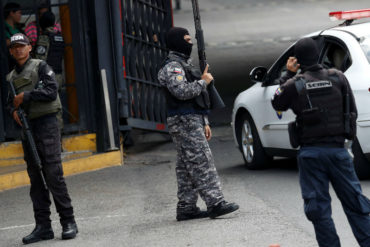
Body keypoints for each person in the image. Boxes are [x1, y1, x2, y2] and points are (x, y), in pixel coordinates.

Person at [271, 37, 370, 247]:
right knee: (356, 204)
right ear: (318, 55)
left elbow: (277, 103)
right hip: (338, 151)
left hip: (311, 153)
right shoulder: (339, 77)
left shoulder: (293, 84)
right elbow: (351, 111)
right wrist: (346, 140)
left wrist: (287, 73)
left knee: (319, 210)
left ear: (297, 60)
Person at [158, 27, 239, 221]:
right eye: (186, 39)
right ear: (177, 42)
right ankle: (216, 203)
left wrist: (205, 121)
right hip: (183, 120)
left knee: (186, 165)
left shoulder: (184, 64)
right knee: (202, 161)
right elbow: (182, 92)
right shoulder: (173, 67)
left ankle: (186, 206)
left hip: (191, 119)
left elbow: (196, 100)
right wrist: (203, 81)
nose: (190, 43)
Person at [6, 33, 77, 244]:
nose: (18, 50)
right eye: (15, 47)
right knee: (35, 178)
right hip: (28, 129)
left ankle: (68, 222)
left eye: (22, 46)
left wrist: (26, 97)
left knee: (53, 174)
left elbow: (51, 90)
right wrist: (14, 112)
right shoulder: (10, 77)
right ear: (11, 51)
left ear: (30, 48)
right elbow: (9, 103)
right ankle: (43, 226)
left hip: (47, 124)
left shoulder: (41, 66)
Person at [34, 11, 65, 130]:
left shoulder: (44, 37)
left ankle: (55, 137)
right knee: (57, 106)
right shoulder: (59, 37)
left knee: (49, 108)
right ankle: (58, 135)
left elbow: (39, 60)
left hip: (47, 77)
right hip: (58, 75)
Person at [4, 2, 22, 70]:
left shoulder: (18, 28)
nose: (20, 15)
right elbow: (4, 42)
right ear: (11, 13)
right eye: (19, 13)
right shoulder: (3, 27)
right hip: (9, 64)